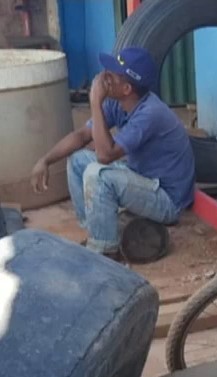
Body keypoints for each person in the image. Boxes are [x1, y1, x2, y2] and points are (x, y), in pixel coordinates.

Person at [31, 47, 195, 259]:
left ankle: (106, 252)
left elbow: (105, 156)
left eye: (111, 75)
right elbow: (82, 136)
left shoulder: (150, 114)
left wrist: (94, 102)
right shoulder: (121, 104)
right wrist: (45, 160)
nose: (104, 77)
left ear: (126, 88)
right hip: (144, 179)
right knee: (79, 160)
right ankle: (96, 230)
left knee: (98, 176)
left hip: (168, 200)